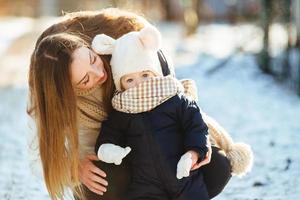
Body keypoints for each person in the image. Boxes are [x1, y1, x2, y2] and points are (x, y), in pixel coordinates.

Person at [28, 8, 252, 200]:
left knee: (218, 167)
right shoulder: (49, 101)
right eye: (85, 79)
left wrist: (196, 147)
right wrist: (74, 168)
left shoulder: (122, 50)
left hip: (165, 149)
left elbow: (178, 105)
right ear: (66, 91)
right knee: (104, 180)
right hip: (120, 160)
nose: (99, 73)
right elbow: (42, 155)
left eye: (93, 59)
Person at [93, 25, 210, 199]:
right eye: (130, 79)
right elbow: (109, 133)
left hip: (185, 176)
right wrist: (108, 149)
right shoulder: (122, 110)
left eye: (145, 75)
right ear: (120, 84)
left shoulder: (175, 99)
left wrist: (193, 153)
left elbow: (196, 126)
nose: (139, 84)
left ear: (156, 72)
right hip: (145, 185)